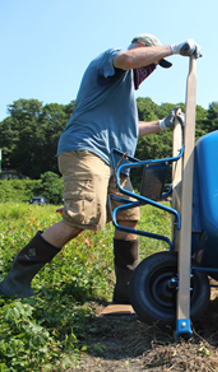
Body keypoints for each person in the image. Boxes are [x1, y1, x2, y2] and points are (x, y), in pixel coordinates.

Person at [0, 34, 202, 305]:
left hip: (118, 162)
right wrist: (175, 49)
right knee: (81, 218)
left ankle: (126, 292)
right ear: (142, 48)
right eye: (152, 59)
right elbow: (128, 59)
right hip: (88, 150)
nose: (151, 68)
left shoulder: (125, 94)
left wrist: (162, 124)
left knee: (129, 216)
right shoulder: (112, 58)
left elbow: (130, 128)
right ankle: (14, 282)